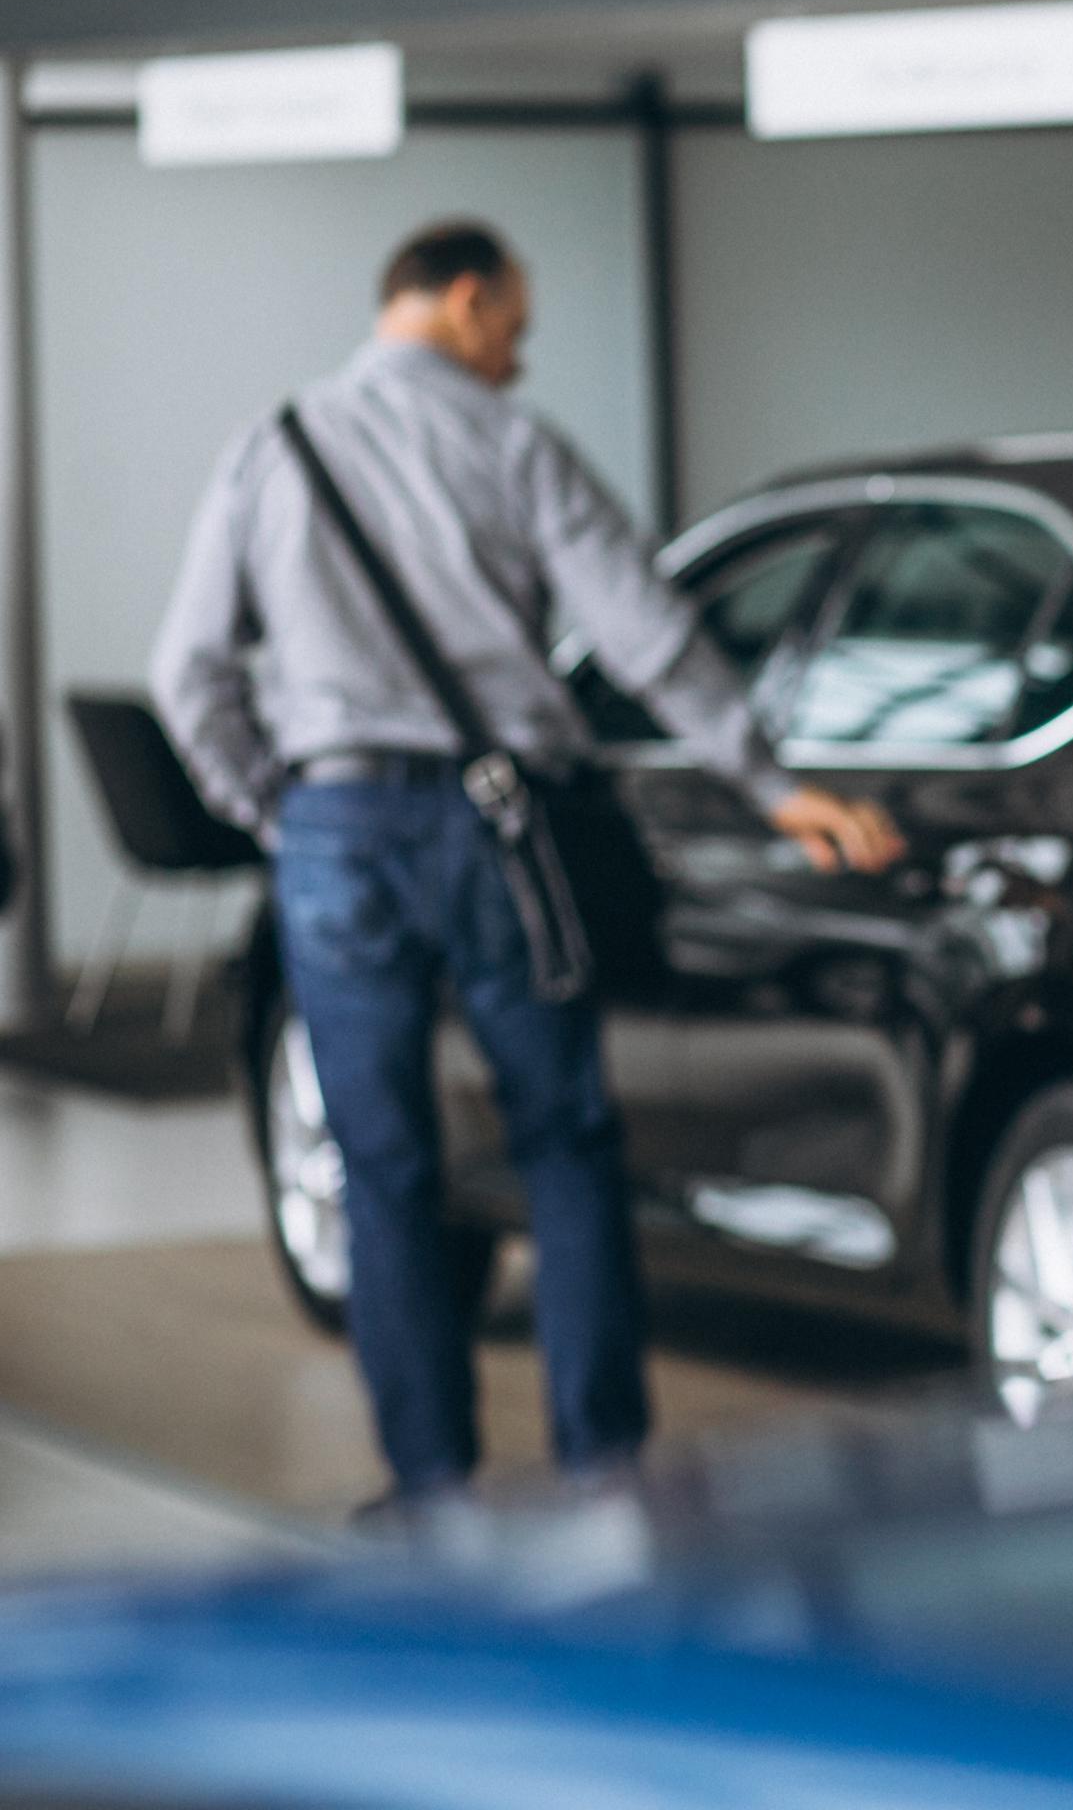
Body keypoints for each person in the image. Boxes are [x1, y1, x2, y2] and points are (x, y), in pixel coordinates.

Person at [151, 220, 905, 1503]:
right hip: (500, 827)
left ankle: (433, 1488)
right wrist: (773, 783)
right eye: (514, 326)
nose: (518, 354)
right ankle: (602, 1469)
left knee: (381, 1161)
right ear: (460, 301)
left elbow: (188, 672)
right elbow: (643, 631)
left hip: (334, 834)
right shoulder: (512, 445)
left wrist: (278, 808)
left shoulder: (267, 450)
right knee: (563, 1140)